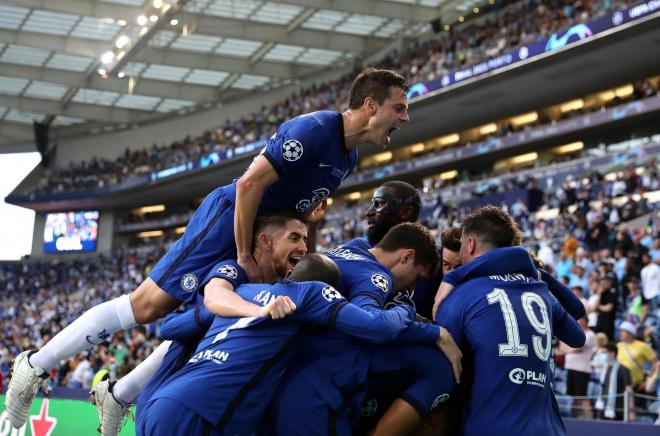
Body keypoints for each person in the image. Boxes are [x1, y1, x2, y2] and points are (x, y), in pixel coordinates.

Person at [6, 68, 411, 429]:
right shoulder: (315, 130)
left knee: (211, 322)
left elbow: (296, 209)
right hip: (231, 222)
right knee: (147, 306)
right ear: (370, 105)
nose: (405, 118)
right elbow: (247, 186)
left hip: (263, 237)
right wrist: (243, 254)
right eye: (399, 108)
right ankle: (34, 366)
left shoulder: (350, 156)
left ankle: (119, 394)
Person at [138, 254, 418, 435]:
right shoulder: (311, 294)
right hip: (202, 413)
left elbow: (171, 327)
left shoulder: (242, 293)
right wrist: (405, 306)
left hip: (159, 403)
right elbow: (378, 327)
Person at [93, 210, 307, 435]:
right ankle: (118, 394)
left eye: (305, 238)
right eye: (295, 238)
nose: (304, 246)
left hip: (219, 414)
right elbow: (170, 327)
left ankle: (120, 393)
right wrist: (240, 310)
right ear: (265, 241)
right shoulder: (233, 272)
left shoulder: (285, 291)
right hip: (174, 410)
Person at [263, 223, 461, 435]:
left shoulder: (353, 247)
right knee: (439, 367)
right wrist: (422, 323)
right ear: (406, 256)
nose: (412, 288)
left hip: (275, 373)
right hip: (317, 391)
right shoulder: (376, 278)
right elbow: (373, 324)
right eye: (418, 278)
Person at [435, 206, 585, 436]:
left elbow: (443, 369)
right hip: (548, 429)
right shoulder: (541, 291)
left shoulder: (460, 294)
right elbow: (577, 337)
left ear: (471, 244)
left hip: (491, 426)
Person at [557, 317, 596, 419]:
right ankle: (575, 419)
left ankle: (589, 420)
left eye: (580, 321)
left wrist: (567, 350)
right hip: (571, 367)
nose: (577, 323)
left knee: (582, 396)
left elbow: (579, 348)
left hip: (581, 369)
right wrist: (569, 349)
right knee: (574, 396)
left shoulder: (590, 334)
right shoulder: (574, 334)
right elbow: (561, 347)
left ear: (585, 322)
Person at [595, 343, 633, 421]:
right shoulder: (604, 369)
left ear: (612, 353)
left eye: (605, 352)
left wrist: (631, 411)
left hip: (618, 411)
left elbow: (629, 390)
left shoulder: (624, 370)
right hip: (602, 408)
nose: (603, 355)